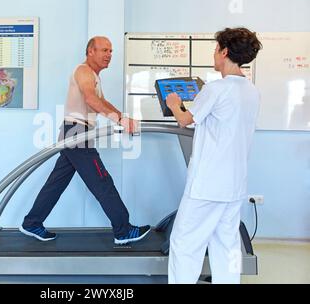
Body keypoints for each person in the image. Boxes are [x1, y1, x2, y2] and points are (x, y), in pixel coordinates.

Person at [20, 36, 151, 244]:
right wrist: (119, 119)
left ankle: (32, 222)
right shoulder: (83, 71)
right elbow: (90, 99)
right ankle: (123, 229)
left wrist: (123, 119)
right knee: (102, 181)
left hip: (78, 132)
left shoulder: (94, 76)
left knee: (57, 182)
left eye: (111, 51)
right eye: (104, 50)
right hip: (77, 132)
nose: (109, 55)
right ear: (91, 51)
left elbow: (102, 101)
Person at [165, 27, 262, 284]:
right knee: (226, 243)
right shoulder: (251, 91)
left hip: (207, 185)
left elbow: (185, 120)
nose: (215, 54)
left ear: (225, 52)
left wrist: (174, 102)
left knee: (185, 243)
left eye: (216, 49)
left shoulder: (216, 89)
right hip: (234, 184)